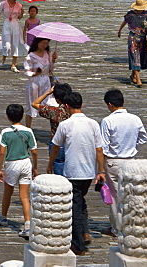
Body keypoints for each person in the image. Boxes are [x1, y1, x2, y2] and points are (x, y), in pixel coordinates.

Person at [47, 92, 106, 256]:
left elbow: (56, 146)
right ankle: (85, 232)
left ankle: (78, 244)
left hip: (73, 171)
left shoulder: (65, 125)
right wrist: (100, 171)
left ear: (66, 106)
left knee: (75, 207)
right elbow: (99, 149)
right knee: (80, 201)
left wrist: (50, 164)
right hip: (88, 172)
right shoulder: (93, 123)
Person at [101, 88, 147, 236]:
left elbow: (104, 146)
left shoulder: (108, 120)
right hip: (130, 161)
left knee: (115, 196)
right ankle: (131, 225)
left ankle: (117, 228)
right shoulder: (135, 119)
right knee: (130, 194)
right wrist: (133, 147)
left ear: (110, 104)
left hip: (113, 162)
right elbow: (143, 138)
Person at [0, 104, 37, 239]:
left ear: (8, 116)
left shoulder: (5, 132)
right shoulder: (28, 131)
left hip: (11, 164)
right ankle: (28, 224)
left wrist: (0, 169)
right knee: (24, 196)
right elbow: (34, 152)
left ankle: (3, 217)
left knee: (8, 192)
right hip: (26, 163)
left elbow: (1, 152)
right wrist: (35, 166)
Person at [23, 37, 55, 128]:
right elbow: (26, 71)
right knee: (31, 105)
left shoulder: (47, 54)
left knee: (49, 103)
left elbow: (51, 69)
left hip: (45, 81)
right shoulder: (31, 56)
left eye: (47, 44)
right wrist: (35, 73)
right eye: (43, 43)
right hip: (34, 82)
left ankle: (54, 128)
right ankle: (28, 128)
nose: (45, 46)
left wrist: (53, 60)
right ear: (37, 43)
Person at [118, 0, 147, 86]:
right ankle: (138, 80)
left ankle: (133, 75)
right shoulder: (130, 14)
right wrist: (119, 30)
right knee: (135, 56)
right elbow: (124, 22)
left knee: (141, 57)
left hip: (143, 39)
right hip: (133, 38)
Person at [0, 0, 27, 72]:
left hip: (15, 24)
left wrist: (22, 13)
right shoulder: (3, 3)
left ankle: (13, 64)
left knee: (15, 44)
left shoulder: (19, 5)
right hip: (7, 24)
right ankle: (3, 58)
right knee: (7, 45)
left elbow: (19, 18)